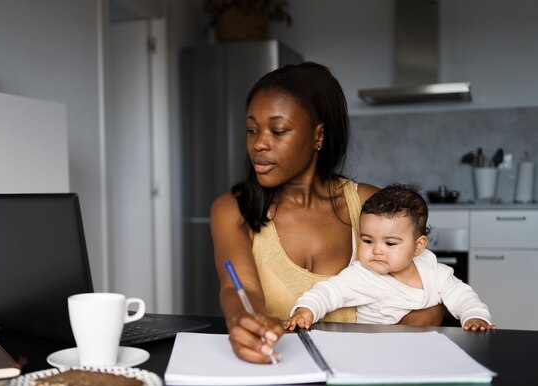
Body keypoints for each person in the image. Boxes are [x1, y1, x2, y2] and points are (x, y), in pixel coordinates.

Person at [210, 62, 444, 367]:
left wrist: (390, 362)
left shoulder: (368, 204)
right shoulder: (233, 209)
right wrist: (244, 319)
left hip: (367, 380)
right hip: (280, 374)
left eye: (278, 130)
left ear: (318, 136)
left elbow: (427, 301)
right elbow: (240, 289)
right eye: (252, 130)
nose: (259, 143)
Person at [286, 184, 495, 331]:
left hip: (423, 349)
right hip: (375, 351)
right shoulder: (362, 275)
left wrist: (474, 317)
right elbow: (329, 292)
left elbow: (461, 295)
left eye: (390, 243)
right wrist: (306, 310)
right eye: (367, 241)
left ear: (418, 246)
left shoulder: (433, 271)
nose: (377, 250)